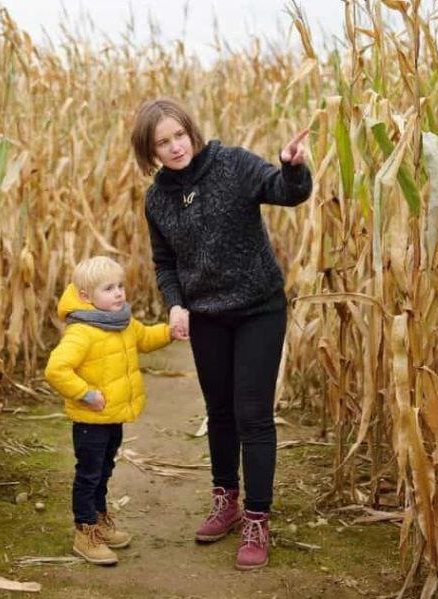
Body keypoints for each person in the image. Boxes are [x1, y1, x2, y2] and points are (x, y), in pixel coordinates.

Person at [129, 97, 311, 570]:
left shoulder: (232, 164)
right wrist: (175, 304)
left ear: (191, 131)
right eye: (162, 143)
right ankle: (225, 500)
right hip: (207, 315)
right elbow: (165, 263)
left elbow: (286, 192)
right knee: (220, 412)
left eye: (178, 135)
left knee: (253, 414)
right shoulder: (157, 199)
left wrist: (292, 167)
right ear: (150, 151)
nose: (175, 147)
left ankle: (257, 518)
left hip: (258, 309)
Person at [44, 255, 174, 566]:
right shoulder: (82, 332)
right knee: (89, 475)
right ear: (85, 296)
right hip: (91, 420)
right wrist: (86, 394)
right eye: (108, 288)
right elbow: (56, 369)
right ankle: (85, 532)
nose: (118, 293)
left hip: (113, 417)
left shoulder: (121, 322)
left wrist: (171, 332)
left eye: (120, 286)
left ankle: (99, 520)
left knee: (104, 471)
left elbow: (145, 338)